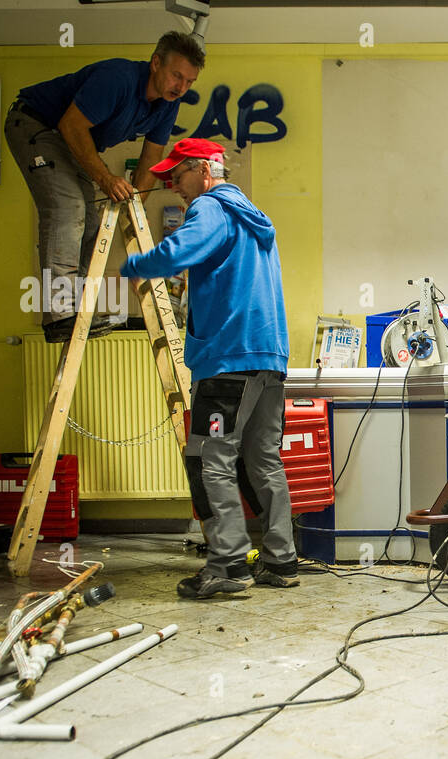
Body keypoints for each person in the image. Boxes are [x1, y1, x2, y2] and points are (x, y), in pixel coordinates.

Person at [120, 138, 300, 598]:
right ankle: (281, 560)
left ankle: (227, 567)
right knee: (262, 459)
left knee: (209, 458)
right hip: (267, 359)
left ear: (204, 170)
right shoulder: (251, 217)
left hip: (226, 362)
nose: (174, 188)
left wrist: (137, 264)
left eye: (177, 176)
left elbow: (183, 249)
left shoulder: (211, 209)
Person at [5, 32, 203, 343]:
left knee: (94, 223)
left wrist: (133, 204)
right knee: (68, 209)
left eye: (189, 82)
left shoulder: (166, 105)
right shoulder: (117, 79)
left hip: (69, 141)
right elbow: (71, 126)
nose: (181, 87)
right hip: (36, 124)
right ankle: (59, 314)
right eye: (177, 76)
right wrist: (107, 179)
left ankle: (76, 310)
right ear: (156, 64)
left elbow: (151, 158)